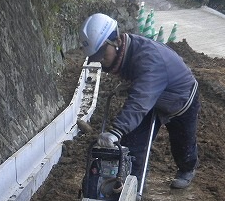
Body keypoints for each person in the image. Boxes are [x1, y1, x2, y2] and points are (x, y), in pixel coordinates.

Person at [79, 13, 200, 189]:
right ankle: (131, 187)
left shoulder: (149, 59)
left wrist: (117, 131)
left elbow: (140, 100)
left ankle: (187, 168)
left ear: (116, 41)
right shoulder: (128, 51)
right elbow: (143, 91)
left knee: (183, 144)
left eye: (102, 54)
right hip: (153, 98)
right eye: (96, 57)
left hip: (180, 100)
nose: (101, 61)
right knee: (133, 144)